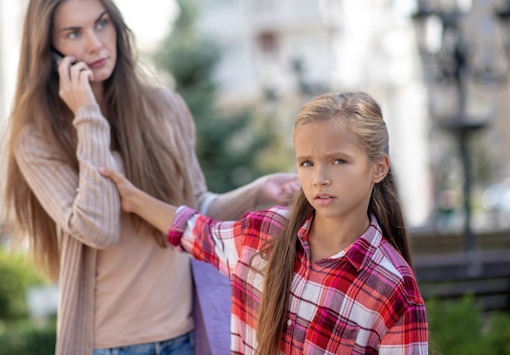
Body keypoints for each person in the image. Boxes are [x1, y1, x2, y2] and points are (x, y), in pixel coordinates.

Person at [0, 0, 299, 355]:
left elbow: (194, 208)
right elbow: (98, 227)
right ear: (49, 50)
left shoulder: (164, 108)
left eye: (101, 24)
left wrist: (258, 191)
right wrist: (87, 117)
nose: (95, 44)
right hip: (110, 347)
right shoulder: (39, 138)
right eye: (74, 34)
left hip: (186, 337)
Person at [100, 91, 429, 354]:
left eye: (339, 161)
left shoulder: (393, 287)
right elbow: (194, 230)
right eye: (307, 163)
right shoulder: (264, 233)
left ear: (378, 168)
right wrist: (133, 198)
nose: (320, 179)